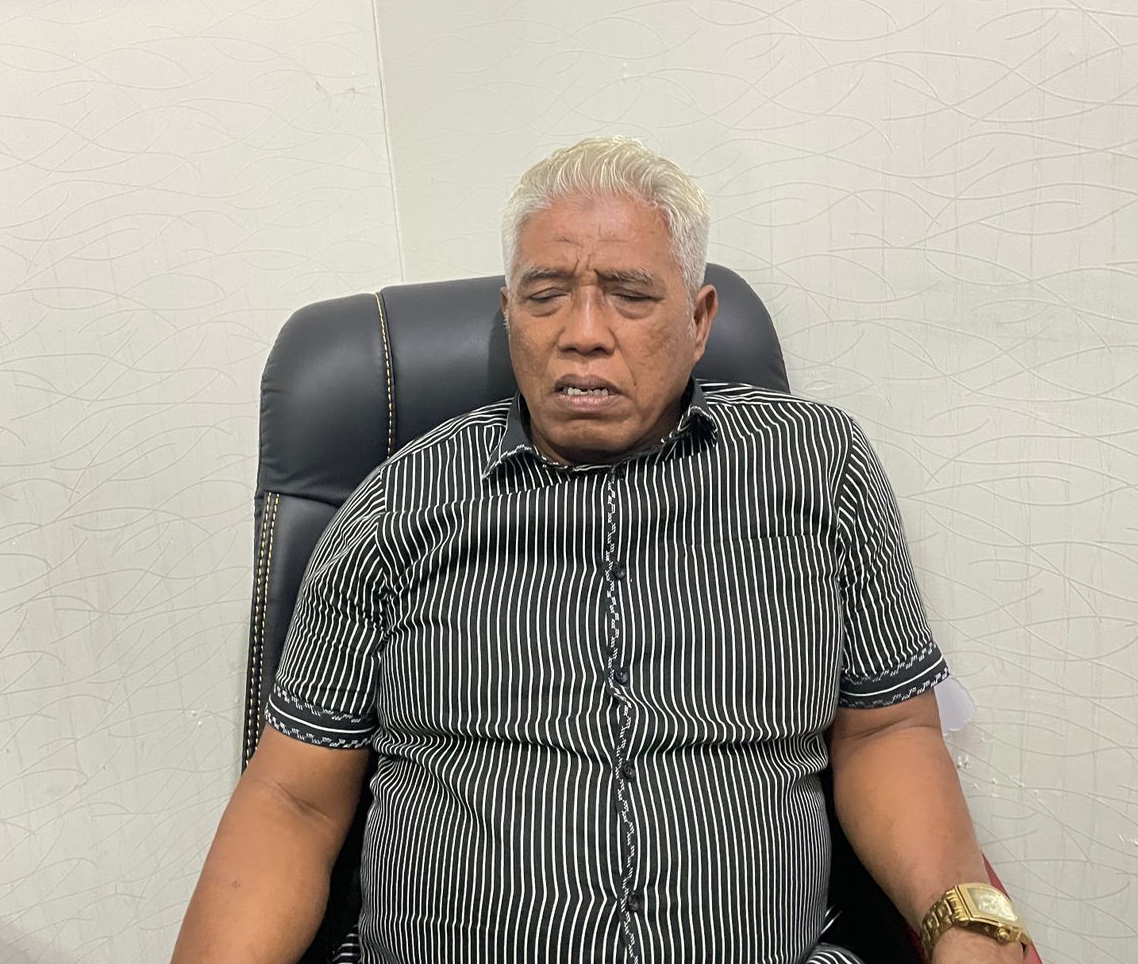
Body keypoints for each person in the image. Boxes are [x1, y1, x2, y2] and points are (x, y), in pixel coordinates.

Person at [171, 138, 1034, 964]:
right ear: (510, 315)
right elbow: (292, 799)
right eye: (546, 294)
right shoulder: (399, 505)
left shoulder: (818, 468)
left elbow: (887, 730)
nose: (583, 331)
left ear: (699, 320)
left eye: (629, 294)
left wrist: (967, 920)